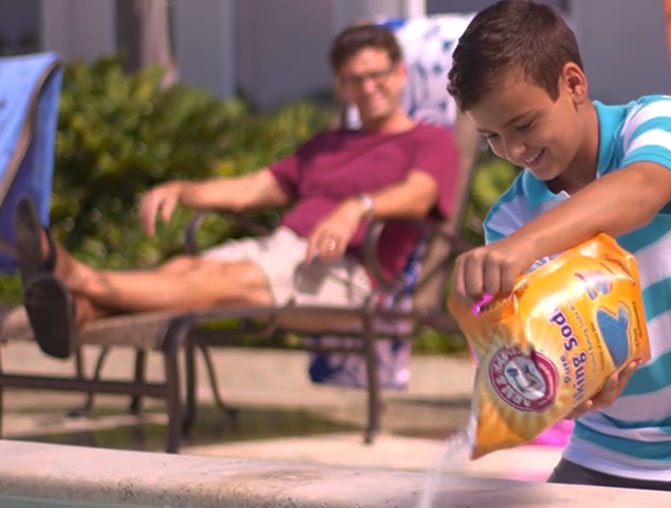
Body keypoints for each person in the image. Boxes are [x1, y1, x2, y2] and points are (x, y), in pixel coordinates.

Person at [446, 0, 671, 498]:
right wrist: (565, 391)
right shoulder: (509, 218)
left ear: (573, 84)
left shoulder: (655, 124)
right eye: (492, 138)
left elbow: (642, 192)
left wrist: (526, 247)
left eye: (523, 126)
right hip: (604, 447)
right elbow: (541, 352)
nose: (514, 151)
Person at [15, 23, 461, 359]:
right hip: (281, 250)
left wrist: (355, 208)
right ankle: (78, 313)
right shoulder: (328, 145)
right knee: (182, 268)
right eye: (353, 80)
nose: (367, 88)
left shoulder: (430, 140)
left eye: (376, 75)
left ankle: (78, 277)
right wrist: (184, 190)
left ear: (400, 73)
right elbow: (254, 188)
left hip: (351, 273)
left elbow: (419, 195)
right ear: (341, 85)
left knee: (223, 280)